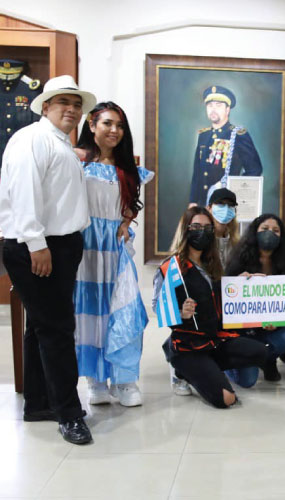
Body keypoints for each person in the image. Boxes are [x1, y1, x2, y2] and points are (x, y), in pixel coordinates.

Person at [0, 75, 95, 444]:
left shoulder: (59, 142)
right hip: (39, 246)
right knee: (57, 330)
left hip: (59, 244)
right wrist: (37, 244)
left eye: (76, 105)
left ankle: (40, 403)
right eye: (63, 104)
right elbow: (23, 193)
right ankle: (69, 414)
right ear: (45, 107)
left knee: (40, 327)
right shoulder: (32, 140)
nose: (71, 110)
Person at [154, 207, 276, 408]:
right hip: (188, 346)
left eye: (207, 227)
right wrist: (180, 313)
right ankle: (181, 370)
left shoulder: (212, 263)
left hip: (214, 339)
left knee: (262, 352)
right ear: (185, 229)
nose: (202, 231)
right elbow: (158, 308)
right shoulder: (171, 266)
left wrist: (240, 282)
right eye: (196, 226)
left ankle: (206, 369)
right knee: (227, 399)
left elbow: (219, 292)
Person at [73, 102, 152, 408]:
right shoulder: (77, 162)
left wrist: (126, 223)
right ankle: (95, 380)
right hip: (84, 247)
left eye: (119, 125)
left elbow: (130, 205)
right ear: (91, 126)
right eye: (107, 123)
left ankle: (125, 379)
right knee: (89, 312)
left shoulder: (129, 169)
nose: (114, 131)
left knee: (123, 309)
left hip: (115, 249)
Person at [224, 214, 285, 385]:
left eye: (275, 230)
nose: (270, 233)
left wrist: (279, 321)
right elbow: (226, 299)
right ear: (255, 231)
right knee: (247, 381)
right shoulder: (239, 259)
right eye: (264, 229)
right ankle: (225, 361)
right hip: (243, 330)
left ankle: (266, 359)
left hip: (271, 328)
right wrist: (237, 283)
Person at [188, 85, 263, 206]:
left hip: (224, 203)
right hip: (203, 204)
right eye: (210, 105)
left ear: (227, 109)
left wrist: (230, 186)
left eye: (218, 105)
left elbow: (255, 169)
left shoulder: (238, 135)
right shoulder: (203, 135)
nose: (213, 109)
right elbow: (197, 173)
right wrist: (193, 201)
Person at [206, 187, 240, 268]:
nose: (226, 209)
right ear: (209, 208)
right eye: (220, 204)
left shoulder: (237, 243)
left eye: (230, 205)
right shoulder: (202, 239)